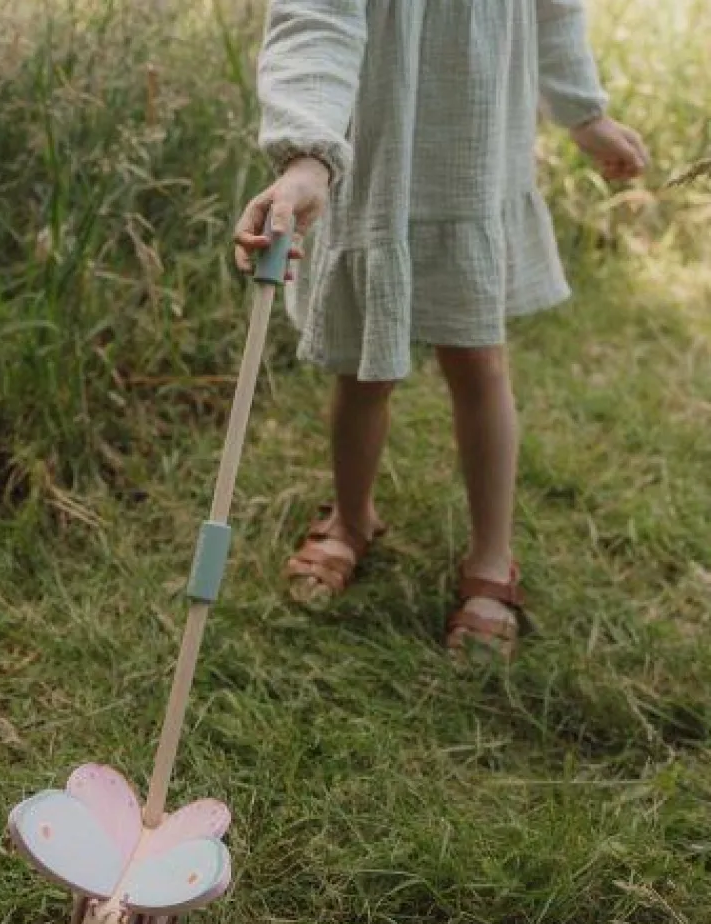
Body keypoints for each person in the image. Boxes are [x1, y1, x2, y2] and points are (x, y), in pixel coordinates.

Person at [234, 0, 648, 661]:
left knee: (479, 364)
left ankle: (491, 557)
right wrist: (306, 155)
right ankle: (350, 517)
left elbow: (555, 11)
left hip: (474, 160)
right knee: (366, 369)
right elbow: (317, 18)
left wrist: (585, 114)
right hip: (375, 161)